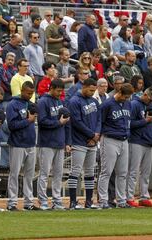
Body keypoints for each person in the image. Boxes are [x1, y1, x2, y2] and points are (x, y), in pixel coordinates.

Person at [97, 83, 134, 209]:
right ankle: (103, 200)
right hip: (109, 139)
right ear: (120, 93)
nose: (127, 99)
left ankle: (121, 200)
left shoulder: (128, 103)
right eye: (125, 96)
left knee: (122, 173)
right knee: (106, 172)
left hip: (124, 140)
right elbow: (99, 121)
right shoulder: (107, 104)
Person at [37, 79, 71, 210]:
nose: (60, 93)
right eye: (58, 90)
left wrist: (67, 142)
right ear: (51, 88)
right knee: (44, 173)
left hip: (59, 142)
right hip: (46, 142)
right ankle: (43, 200)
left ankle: (57, 200)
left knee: (58, 174)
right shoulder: (43, 101)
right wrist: (59, 123)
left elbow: (67, 123)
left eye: (61, 90)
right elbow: (42, 121)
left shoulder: (60, 101)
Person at [67, 78, 101, 210]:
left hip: (92, 142)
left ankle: (88, 201)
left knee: (89, 172)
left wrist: (96, 135)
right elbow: (76, 121)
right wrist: (92, 135)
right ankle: (73, 202)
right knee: (75, 171)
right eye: (91, 90)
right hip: (79, 140)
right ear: (84, 87)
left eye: (94, 90)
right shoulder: (74, 101)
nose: (93, 93)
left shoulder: (94, 101)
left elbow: (99, 120)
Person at [6, 81, 39, 211]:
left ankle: (28, 202)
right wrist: (28, 120)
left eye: (32, 93)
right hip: (17, 143)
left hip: (31, 143)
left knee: (29, 175)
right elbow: (12, 125)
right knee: (14, 173)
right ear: (22, 90)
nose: (30, 95)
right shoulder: (12, 104)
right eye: (28, 93)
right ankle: (12, 203)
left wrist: (30, 121)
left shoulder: (32, 104)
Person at [127, 86, 152, 208]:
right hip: (136, 141)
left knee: (146, 172)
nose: (151, 101)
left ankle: (144, 196)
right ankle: (129, 197)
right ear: (145, 94)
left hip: (148, 142)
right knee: (133, 171)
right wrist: (144, 121)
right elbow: (129, 123)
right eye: (150, 98)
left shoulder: (150, 105)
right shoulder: (134, 104)